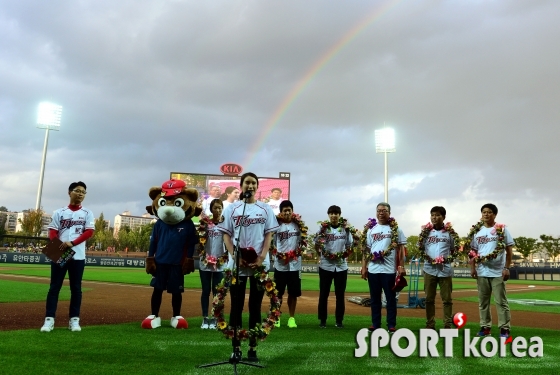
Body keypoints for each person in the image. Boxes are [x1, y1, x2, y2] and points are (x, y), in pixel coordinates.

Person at [217, 172, 279, 363]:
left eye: (253, 183)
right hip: (237, 266)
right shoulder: (232, 209)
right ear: (241, 186)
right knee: (236, 306)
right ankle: (236, 348)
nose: (250, 186)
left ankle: (252, 347)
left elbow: (268, 235)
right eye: (247, 183)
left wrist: (261, 257)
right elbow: (226, 235)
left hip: (259, 266)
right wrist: (234, 255)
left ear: (257, 186)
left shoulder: (265, 209)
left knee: (255, 306)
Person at [41, 181, 95, 332]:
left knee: (76, 289)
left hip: (78, 256)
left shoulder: (87, 213)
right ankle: (49, 319)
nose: (80, 194)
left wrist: (72, 242)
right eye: (77, 191)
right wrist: (58, 244)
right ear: (69, 192)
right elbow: (52, 231)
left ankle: (74, 320)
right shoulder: (59, 212)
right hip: (60, 253)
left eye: (83, 192)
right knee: (54, 287)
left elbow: (89, 232)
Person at [469, 203, 514, 338]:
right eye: (484, 212)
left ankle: (504, 328)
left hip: (498, 271)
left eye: (489, 212)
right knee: (483, 302)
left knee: (501, 301)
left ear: (495, 214)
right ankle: (485, 327)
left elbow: (509, 250)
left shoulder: (502, 230)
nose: (486, 214)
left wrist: (506, 267)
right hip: (482, 271)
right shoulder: (477, 231)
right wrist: (472, 267)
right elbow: (472, 251)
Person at [361, 202, 406, 333]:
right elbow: (366, 250)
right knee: (375, 299)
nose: (381, 213)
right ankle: (375, 324)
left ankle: (391, 325)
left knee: (390, 299)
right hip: (374, 269)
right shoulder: (371, 230)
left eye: (384, 210)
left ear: (389, 213)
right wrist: (364, 267)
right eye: (379, 210)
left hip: (389, 270)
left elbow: (401, 249)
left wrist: (401, 265)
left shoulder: (395, 229)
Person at [315, 205, 354, 328]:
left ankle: (339, 321)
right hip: (326, 265)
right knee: (323, 294)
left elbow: (350, 245)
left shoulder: (345, 229)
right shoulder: (323, 229)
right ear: (328, 215)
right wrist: (320, 255)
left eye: (336, 213)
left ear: (339, 215)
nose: (333, 215)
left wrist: (345, 254)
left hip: (341, 266)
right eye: (331, 213)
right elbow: (317, 243)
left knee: (340, 295)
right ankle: (322, 320)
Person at [420, 206, 456, 329]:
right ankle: (430, 324)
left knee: (447, 300)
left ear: (444, 217)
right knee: (429, 299)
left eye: (438, 215)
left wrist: (447, 260)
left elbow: (453, 249)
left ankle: (447, 325)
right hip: (429, 269)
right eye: (432, 215)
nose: (434, 217)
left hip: (444, 270)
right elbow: (421, 248)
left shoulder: (450, 233)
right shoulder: (426, 232)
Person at [272, 200, 306, 328]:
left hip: (295, 265)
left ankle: (292, 318)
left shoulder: (298, 226)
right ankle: (277, 317)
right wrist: (278, 254)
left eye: (289, 210)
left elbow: (302, 242)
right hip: (280, 265)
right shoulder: (276, 225)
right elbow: (272, 243)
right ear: (281, 212)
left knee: (293, 293)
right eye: (284, 210)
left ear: (292, 212)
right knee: (278, 293)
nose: (287, 212)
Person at [198, 199, 231, 329]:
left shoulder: (226, 224)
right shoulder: (205, 223)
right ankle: (205, 318)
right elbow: (200, 241)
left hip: (220, 263)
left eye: (219, 208)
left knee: (217, 292)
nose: (217, 210)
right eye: (215, 208)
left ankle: (216, 318)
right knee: (206, 291)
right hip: (205, 263)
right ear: (211, 210)